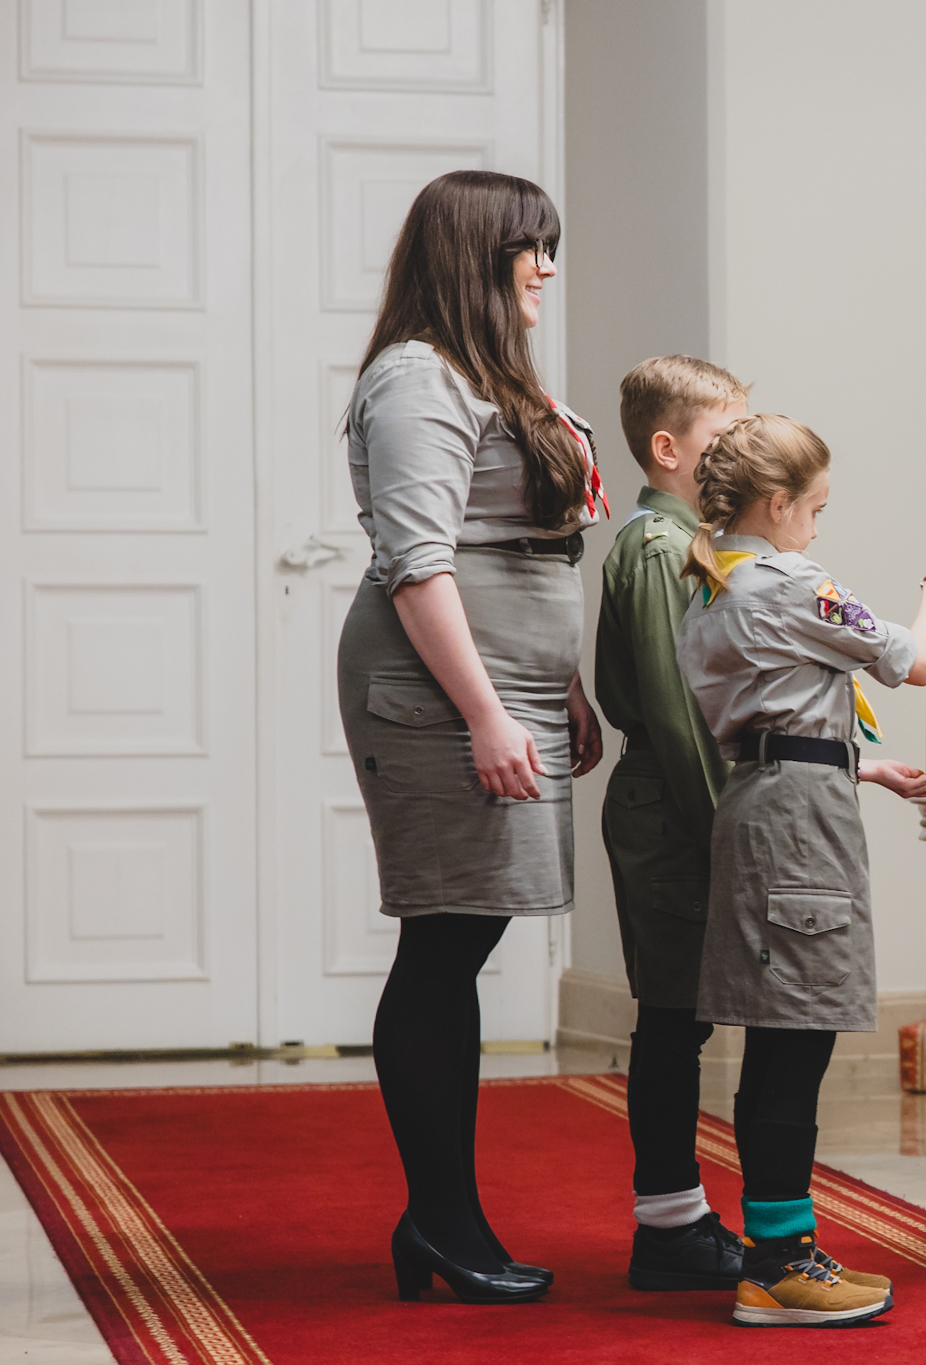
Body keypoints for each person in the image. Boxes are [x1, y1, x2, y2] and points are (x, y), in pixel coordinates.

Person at [337, 170, 605, 1304]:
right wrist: (488, 709)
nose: (545, 267)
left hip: (516, 677)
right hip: (441, 684)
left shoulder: (489, 371)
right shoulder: (415, 380)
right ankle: (445, 1220)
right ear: (471, 258)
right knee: (447, 942)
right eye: (526, 249)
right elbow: (420, 564)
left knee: (467, 936)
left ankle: (437, 1224)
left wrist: (562, 686)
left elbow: (527, 544)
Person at [677, 413, 926, 1326]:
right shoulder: (788, 579)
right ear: (776, 505)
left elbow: (776, 710)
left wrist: (866, 765)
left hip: (774, 798)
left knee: (780, 1036)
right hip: (795, 823)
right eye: (814, 509)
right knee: (795, 1039)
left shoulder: (713, 584)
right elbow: (917, 660)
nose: (817, 527)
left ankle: (780, 1242)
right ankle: (778, 1265)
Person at [593, 355, 750, 1290]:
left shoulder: (692, 538)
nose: (740, 450)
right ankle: (668, 1226)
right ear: (669, 447)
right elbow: (678, 709)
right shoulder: (658, 550)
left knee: (682, 1016)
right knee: (672, 1018)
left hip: (686, 801)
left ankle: (678, 1217)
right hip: (674, 806)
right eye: (725, 435)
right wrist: (727, 834)